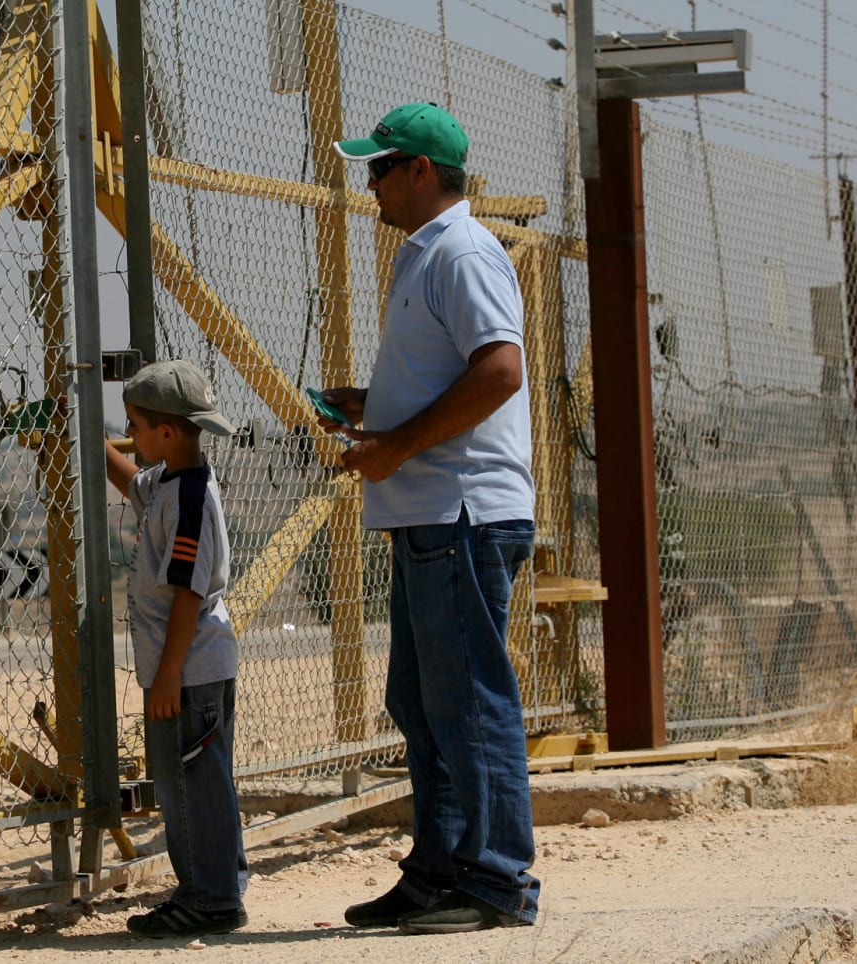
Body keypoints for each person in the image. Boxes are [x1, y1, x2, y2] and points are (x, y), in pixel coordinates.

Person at [322, 102, 539, 935]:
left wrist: (396, 446)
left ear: (420, 171)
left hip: (460, 512)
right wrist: (374, 409)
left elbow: (500, 372)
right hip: (430, 513)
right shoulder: (425, 256)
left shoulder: (462, 252)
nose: (368, 183)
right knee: (420, 698)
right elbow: (459, 376)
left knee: (470, 698)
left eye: (379, 168)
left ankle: (496, 878)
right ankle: (440, 870)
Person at [103, 360, 249, 939]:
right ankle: (218, 884)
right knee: (196, 779)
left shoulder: (189, 497)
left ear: (166, 433)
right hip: (185, 667)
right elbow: (127, 479)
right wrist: (80, 434)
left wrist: (166, 676)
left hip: (186, 670)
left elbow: (188, 592)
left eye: (134, 425)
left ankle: (209, 898)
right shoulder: (170, 480)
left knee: (189, 784)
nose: (129, 435)